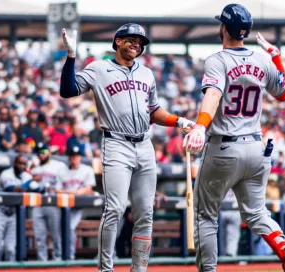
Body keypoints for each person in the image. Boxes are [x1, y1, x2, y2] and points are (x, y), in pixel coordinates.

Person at [60, 24, 195, 272]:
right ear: (118, 42)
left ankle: (139, 269)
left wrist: (179, 121)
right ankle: (105, 269)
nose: (137, 44)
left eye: (140, 41)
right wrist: (71, 57)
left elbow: (153, 111)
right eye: (131, 39)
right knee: (115, 209)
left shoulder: (147, 74)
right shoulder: (99, 68)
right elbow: (68, 90)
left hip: (144, 144)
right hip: (116, 143)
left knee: (145, 212)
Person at [183, 4, 285, 272]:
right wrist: (276, 56)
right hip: (256, 148)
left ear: (224, 28)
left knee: (205, 215)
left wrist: (200, 126)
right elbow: (284, 94)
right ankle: (284, 246)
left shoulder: (218, 59)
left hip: (224, 147)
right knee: (258, 213)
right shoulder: (262, 60)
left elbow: (212, 94)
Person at [0, 154, 32, 261]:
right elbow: (13, 189)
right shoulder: (6, 174)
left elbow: (39, 190)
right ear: (14, 163)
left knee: (10, 249)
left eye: (24, 164)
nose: (22, 166)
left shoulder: (27, 176)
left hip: (13, 214)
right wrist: (31, 180)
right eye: (20, 163)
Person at [56, 145, 96, 260]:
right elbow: (57, 190)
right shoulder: (62, 170)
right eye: (72, 156)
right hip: (64, 207)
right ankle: (60, 255)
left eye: (77, 156)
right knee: (59, 230)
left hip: (80, 207)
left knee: (69, 227)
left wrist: (71, 192)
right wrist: (74, 192)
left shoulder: (86, 169)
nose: (75, 158)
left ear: (80, 157)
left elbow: (89, 189)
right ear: (68, 157)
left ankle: (70, 255)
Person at [30, 143, 68, 261]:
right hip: (38, 204)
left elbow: (65, 183)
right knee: (39, 236)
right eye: (39, 152)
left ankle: (58, 260)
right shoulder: (34, 169)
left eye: (44, 151)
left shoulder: (59, 165)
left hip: (54, 203)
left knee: (55, 235)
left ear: (49, 152)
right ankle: (42, 262)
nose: (41, 154)